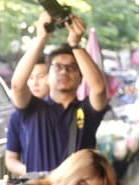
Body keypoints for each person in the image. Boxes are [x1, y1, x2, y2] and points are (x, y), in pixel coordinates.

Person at [7, 10, 109, 175]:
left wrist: (76, 44)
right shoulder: (32, 109)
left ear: (80, 76)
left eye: (71, 68)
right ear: (48, 75)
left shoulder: (87, 111)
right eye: (58, 67)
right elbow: (17, 86)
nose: (64, 72)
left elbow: (99, 88)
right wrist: (41, 38)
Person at [5, 58, 49, 177]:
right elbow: (10, 158)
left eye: (41, 76)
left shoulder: (64, 109)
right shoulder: (17, 116)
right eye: (30, 78)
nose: (35, 83)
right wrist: (31, 172)